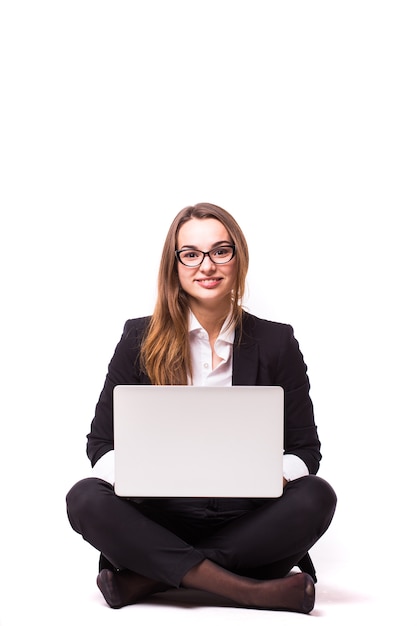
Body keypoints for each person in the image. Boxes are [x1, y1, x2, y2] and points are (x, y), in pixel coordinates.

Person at [66, 202, 337, 614]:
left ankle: (148, 578)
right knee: (85, 497)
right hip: (160, 516)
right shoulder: (139, 338)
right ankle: (250, 590)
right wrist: (137, 478)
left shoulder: (277, 342)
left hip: (248, 518)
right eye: (190, 254)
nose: (206, 266)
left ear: (237, 257)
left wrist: (275, 476)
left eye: (220, 251)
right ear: (174, 265)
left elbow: (305, 450)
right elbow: (101, 445)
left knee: (317, 495)